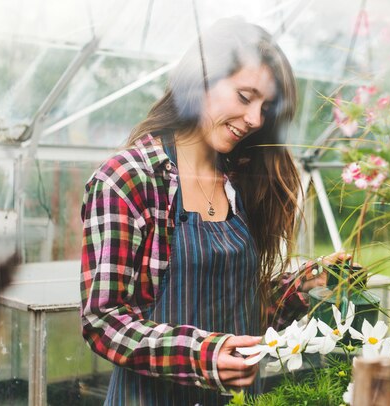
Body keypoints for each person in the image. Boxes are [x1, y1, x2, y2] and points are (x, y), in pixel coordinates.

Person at [80, 17, 351, 405]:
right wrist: (202, 355)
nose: (256, 119)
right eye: (244, 97)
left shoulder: (241, 182)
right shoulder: (128, 180)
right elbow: (103, 320)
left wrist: (300, 287)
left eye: (265, 107)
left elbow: (239, 315)